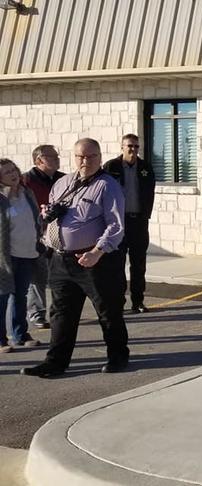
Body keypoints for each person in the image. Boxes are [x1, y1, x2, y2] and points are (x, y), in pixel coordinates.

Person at [21, 139, 128, 378]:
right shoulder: (62, 183)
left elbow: (116, 226)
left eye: (91, 156)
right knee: (61, 314)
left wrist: (97, 252)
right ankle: (55, 362)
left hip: (95, 260)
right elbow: (53, 215)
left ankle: (118, 357)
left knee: (108, 312)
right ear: (74, 157)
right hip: (61, 260)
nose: (85, 161)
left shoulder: (107, 185)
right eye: (80, 156)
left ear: (100, 157)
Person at [104, 134, 155, 314]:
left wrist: (145, 217)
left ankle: (138, 301)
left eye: (136, 146)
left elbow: (150, 193)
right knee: (116, 265)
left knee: (138, 264)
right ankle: (117, 302)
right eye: (129, 146)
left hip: (138, 223)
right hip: (118, 223)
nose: (133, 150)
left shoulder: (146, 168)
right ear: (122, 147)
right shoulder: (111, 167)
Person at [21, 144, 65, 329]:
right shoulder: (25, 181)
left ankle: (61, 311)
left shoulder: (63, 179)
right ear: (39, 160)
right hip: (35, 235)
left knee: (59, 275)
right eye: (52, 157)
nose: (57, 159)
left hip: (59, 235)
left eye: (57, 156)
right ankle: (37, 314)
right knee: (37, 277)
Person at [0, 160, 42, 352]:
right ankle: (1, 340)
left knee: (20, 295)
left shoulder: (27, 193)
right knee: (2, 296)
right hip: (5, 256)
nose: (12, 174)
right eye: (6, 172)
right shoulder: (1, 198)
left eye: (13, 169)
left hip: (26, 252)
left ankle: (20, 334)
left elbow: (35, 220)